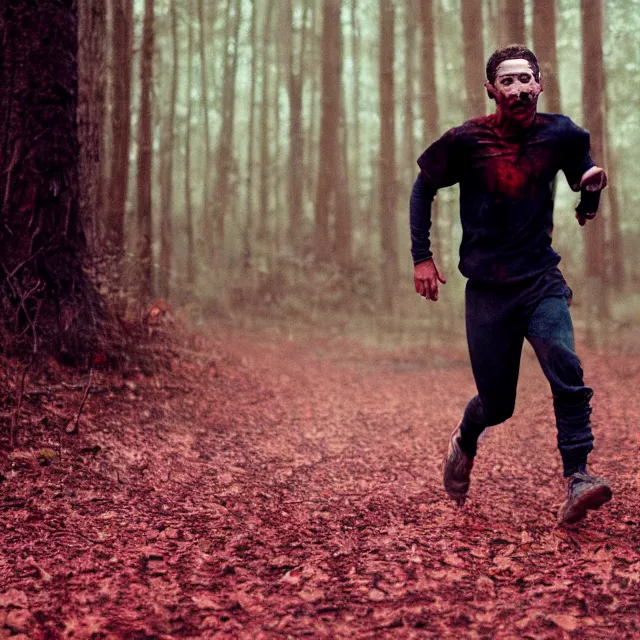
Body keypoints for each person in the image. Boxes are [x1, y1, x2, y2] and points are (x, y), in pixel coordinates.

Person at [410, 45, 611, 526]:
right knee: (498, 404)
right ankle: (465, 439)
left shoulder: (560, 134)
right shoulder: (467, 140)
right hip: (486, 290)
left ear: (539, 84)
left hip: (540, 279)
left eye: (526, 80)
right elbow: (424, 186)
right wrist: (421, 256)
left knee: (565, 366)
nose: (519, 90)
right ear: (491, 90)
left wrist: (589, 200)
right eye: (508, 82)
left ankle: (578, 476)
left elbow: (584, 185)